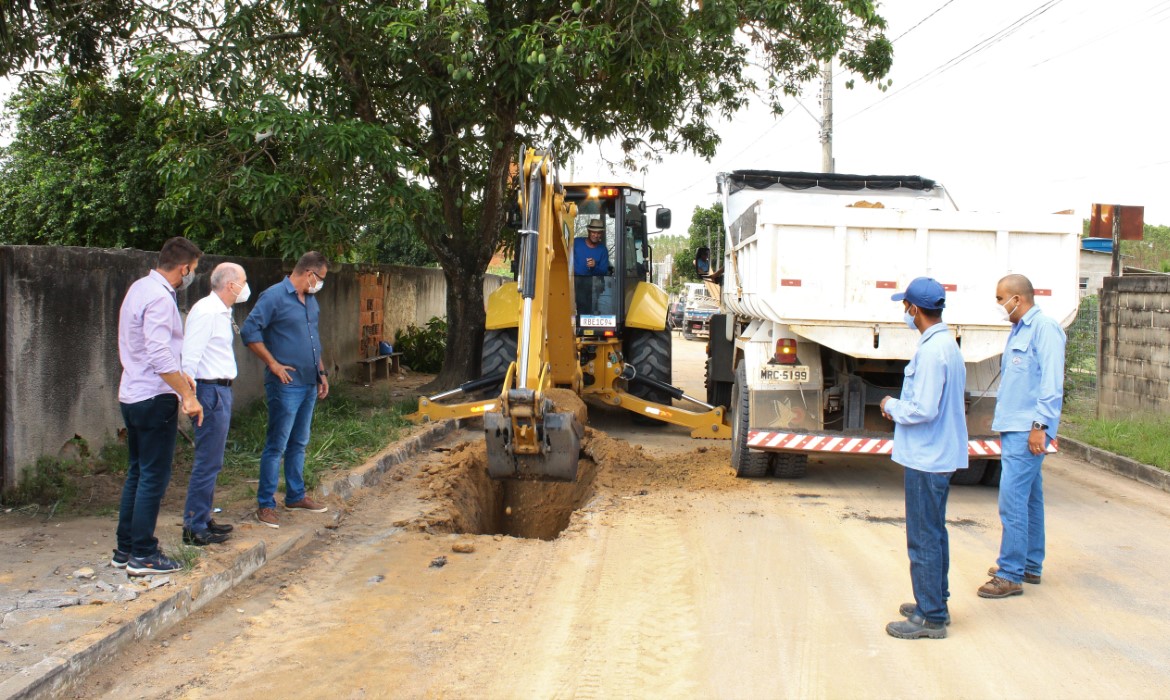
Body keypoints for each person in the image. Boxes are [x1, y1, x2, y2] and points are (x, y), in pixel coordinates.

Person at [879, 277, 969, 639]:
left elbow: (924, 408)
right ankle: (935, 601)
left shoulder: (932, 352)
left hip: (927, 456)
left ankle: (930, 616)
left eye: (906, 307)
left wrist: (891, 406)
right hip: (937, 453)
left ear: (915, 309)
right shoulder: (946, 344)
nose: (905, 312)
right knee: (934, 532)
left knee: (923, 537)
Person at [114, 237, 205, 576]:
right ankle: (143, 554)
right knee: (153, 476)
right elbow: (158, 354)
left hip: (133, 394)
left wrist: (182, 378)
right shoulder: (160, 298)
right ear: (184, 267)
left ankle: (125, 549)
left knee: (137, 472)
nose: (191, 276)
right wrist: (187, 394)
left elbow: (154, 350)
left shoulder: (139, 288)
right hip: (154, 397)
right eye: (193, 271)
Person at [979, 273, 1066, 599]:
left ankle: (1009, 574)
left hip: (1027, 429)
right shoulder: (1020, 329)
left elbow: (1051, 384)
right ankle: (1029, 564)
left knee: (1012, 500)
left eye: (1001, 299)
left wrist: (1039, 428)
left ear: (1019, 298)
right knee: (1030, 498)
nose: (999, 305)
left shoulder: (1044, 329)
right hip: (1015, 426)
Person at [241, 251, 331, 528]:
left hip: (309, 381)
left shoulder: (311, 301)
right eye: (321, 278)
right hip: (286, 384)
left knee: (299, 442)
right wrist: (274, 364)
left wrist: (322, 373)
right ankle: (266, 504)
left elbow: (313, 339)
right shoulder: (274, 296)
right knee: (277, 444)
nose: (321, 284)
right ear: (309, 274)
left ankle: (295, 495)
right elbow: (249, 331)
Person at [180, 262, 250, 546]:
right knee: (207, 461)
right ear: (231, 285)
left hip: (220, 390)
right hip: (208, 391)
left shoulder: (222, 312)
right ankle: (194, 525)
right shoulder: (207, 311)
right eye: (243, 281)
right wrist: (190, 397)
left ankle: (204, 518)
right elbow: (189, 358)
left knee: (214, 460)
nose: (246, 286)